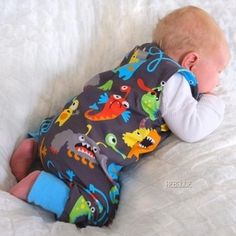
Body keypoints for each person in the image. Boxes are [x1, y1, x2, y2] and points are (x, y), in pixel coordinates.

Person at [9, 5, 230, 227]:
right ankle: (36, 186)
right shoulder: (176, 79)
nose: (219, 80)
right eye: (219, 70)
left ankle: (34, 153)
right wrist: (213, 102)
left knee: (67, 151)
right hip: (89, 153)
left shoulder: (141, 55)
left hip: (58, 131)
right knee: (101, 207)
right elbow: (191, 127)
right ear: (191, 62)